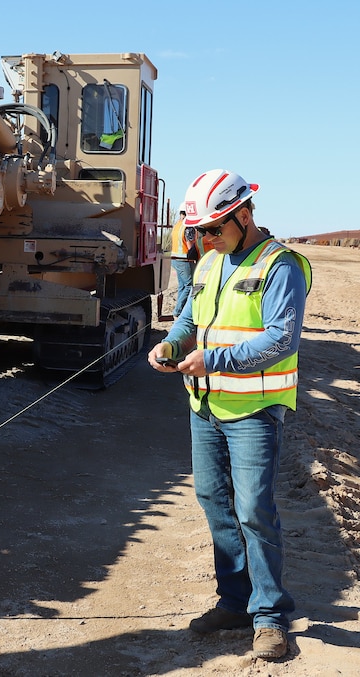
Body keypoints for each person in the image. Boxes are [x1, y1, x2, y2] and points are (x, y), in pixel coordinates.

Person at [148, 169, 312, 662]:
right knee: (213, 502)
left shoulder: (280, 266)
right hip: (205, 407)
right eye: (200, 231)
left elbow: (281, 339)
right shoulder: (208, 262)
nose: (206, 238)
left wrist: (213, 360)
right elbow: (190, 318)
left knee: (254, 511)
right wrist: (171, 344)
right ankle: (235, 602)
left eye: (214, 229)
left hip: (254, 411)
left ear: (244, 214)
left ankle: (270, 617)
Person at [169, 210, 202, 319]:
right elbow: (190, 246)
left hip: (175, 258)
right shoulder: (188, 227)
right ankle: (178, 311)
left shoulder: (177, 225)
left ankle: (180, 311)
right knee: (189, 286)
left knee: (182, 286)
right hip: (184, 260)